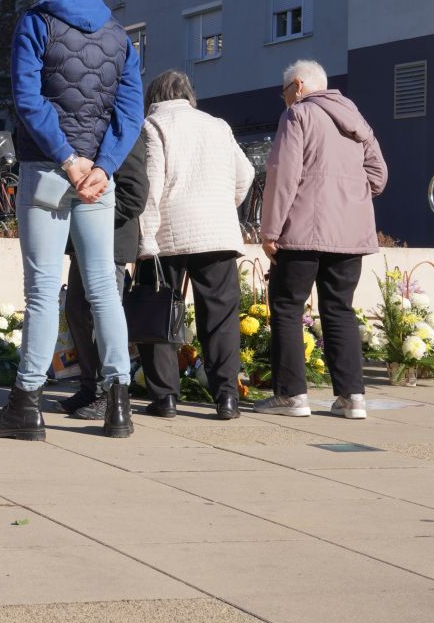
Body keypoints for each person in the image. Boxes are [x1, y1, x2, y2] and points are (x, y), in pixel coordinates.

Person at [0, 0, 143, 441]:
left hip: (49, 170)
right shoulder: (119, 35)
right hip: (98, 182)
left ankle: (26, 406)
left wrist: (68, 160)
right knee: (104, 289)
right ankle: (119, 407)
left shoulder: (37, 21)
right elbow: (130, 113)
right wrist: (102, 168)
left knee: (43, 291)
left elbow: (28, 99)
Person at [254, 59, 387, 420]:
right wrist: (350, 198)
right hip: (349, 235)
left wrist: (269, 232)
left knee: (286, 306)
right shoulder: (356, 119)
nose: (284, 99)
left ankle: (292, 396)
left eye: (284, 92)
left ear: (297, 85)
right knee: (339, 309)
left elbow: (284, 176)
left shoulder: (298, 115)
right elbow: (379, 175)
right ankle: (352, 398)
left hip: (303, 232)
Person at [135, 70, 255, 421]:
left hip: (166, 232)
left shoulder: (153, 125)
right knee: (220, 317)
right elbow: (245, 173)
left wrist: (145, 239)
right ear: (189, 95)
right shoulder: (218, 124)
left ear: (154, 96)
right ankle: (227, 397)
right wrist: (223, 204)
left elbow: (151, 185)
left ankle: (165, 397)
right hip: (217, 231)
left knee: (156, 311)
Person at [55, 132, 147, 420]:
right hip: (84, 246)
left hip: (112, 244)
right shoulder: (85, 134)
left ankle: (112, 395)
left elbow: (134, 195)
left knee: (102, 316)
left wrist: (92, 216)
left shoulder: (125, 134)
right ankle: (91, 387)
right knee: (77, 311)